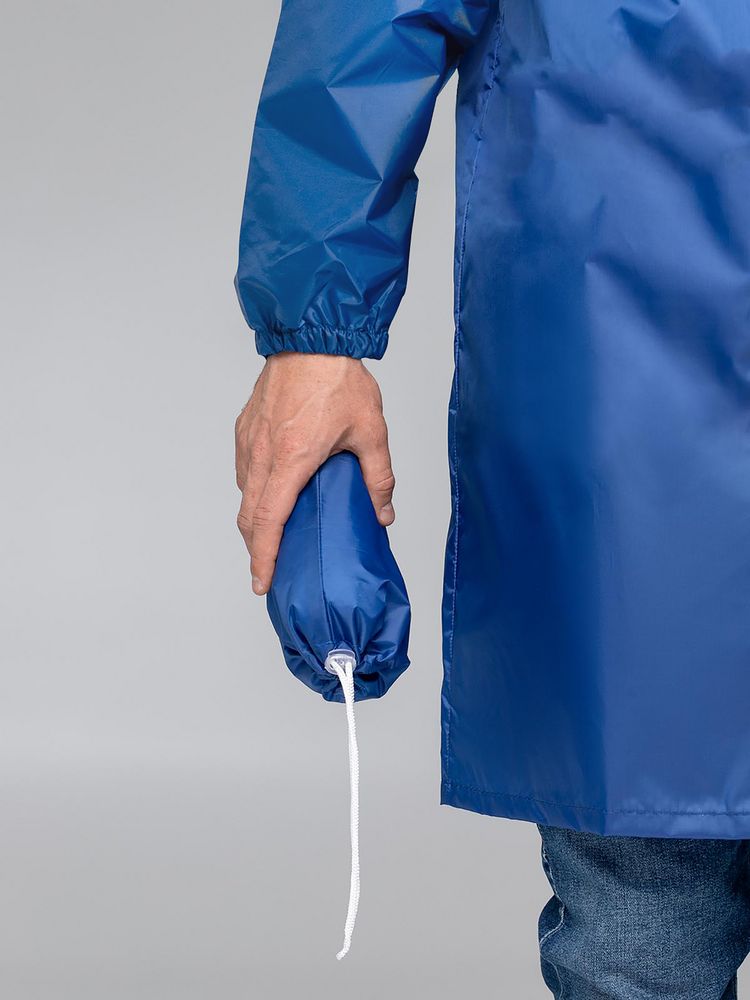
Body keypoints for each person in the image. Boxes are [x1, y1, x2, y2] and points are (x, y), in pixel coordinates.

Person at [234, 1, 750, 995]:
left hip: (617, 383)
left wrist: (314, 331)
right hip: (628, 381)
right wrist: (313, 338)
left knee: (640, 934)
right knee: (643, 918)